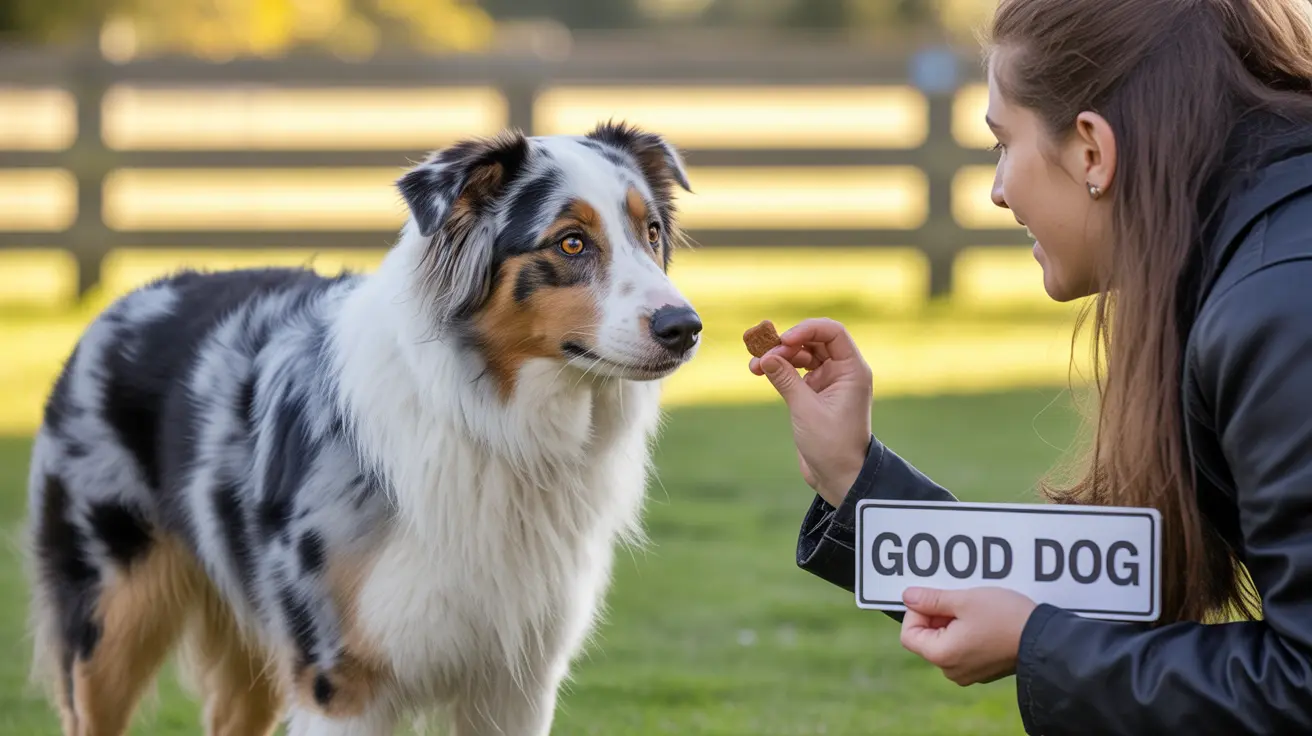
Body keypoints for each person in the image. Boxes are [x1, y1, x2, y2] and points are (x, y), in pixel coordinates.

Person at [748, 0, 1312, 732]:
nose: (997, 189)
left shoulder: (1279, 308)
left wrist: (1036, 642)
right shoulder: (1241, 257)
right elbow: (1107, 577)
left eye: (999, 143)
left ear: (1091, 151)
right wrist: (856, 480)